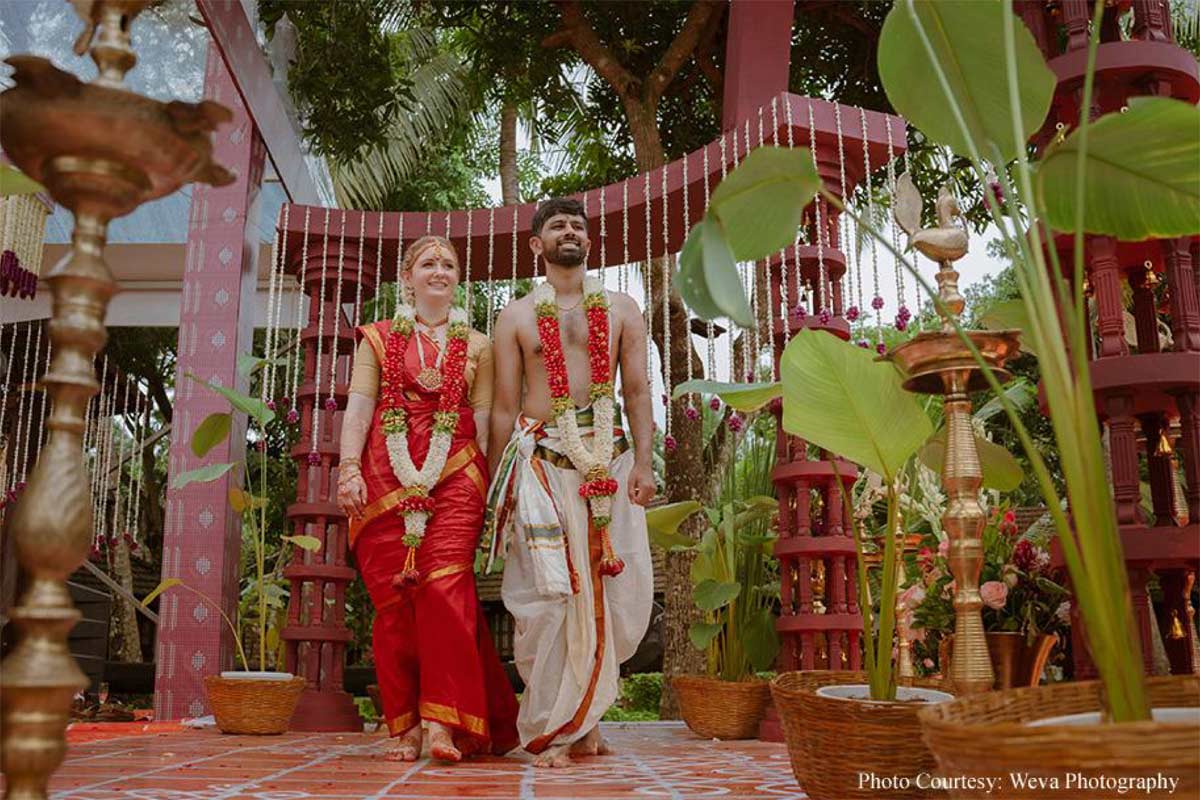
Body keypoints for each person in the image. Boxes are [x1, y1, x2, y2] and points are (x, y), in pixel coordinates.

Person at [483, 198, 656, 768]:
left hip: (608, 465)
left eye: (578, 226)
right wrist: (492, 485)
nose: (569, 233)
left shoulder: (625, 309)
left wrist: (646, 464)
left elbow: (635, 393)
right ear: (537, 245)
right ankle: (551, 728)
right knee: (547, 602)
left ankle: (587, 724)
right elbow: (505, 407)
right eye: (557, 226)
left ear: (589, 242)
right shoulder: (516, 316)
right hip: (541, 469)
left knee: (612, 595)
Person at [338, 235, 519, 763]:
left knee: (446, 589)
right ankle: (406, 724)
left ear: (457, 279)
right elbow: (360, 408)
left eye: (448, 264)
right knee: (395, 600)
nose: (439, 270)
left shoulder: (479, 345)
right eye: (428, 263)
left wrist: (481, 484)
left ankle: (444, 722)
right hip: (383, 475)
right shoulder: (376, 338)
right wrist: (349, 470)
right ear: (407, 277)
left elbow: (483, 421)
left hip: (457, 473)